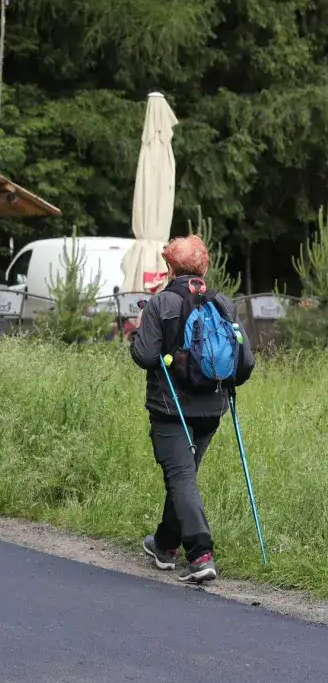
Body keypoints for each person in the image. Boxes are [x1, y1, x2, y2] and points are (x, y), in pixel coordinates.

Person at [130, 235, 254, 584]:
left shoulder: (160, 303)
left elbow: (145, 356)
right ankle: (165, 546)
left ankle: (201, 555)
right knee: (182, 475)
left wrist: (136, 332)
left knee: (181, 477)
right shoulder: (223, 304)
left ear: (170, 268)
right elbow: (245, 363)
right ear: (204, 268)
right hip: (212, 409)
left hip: (171, 410)